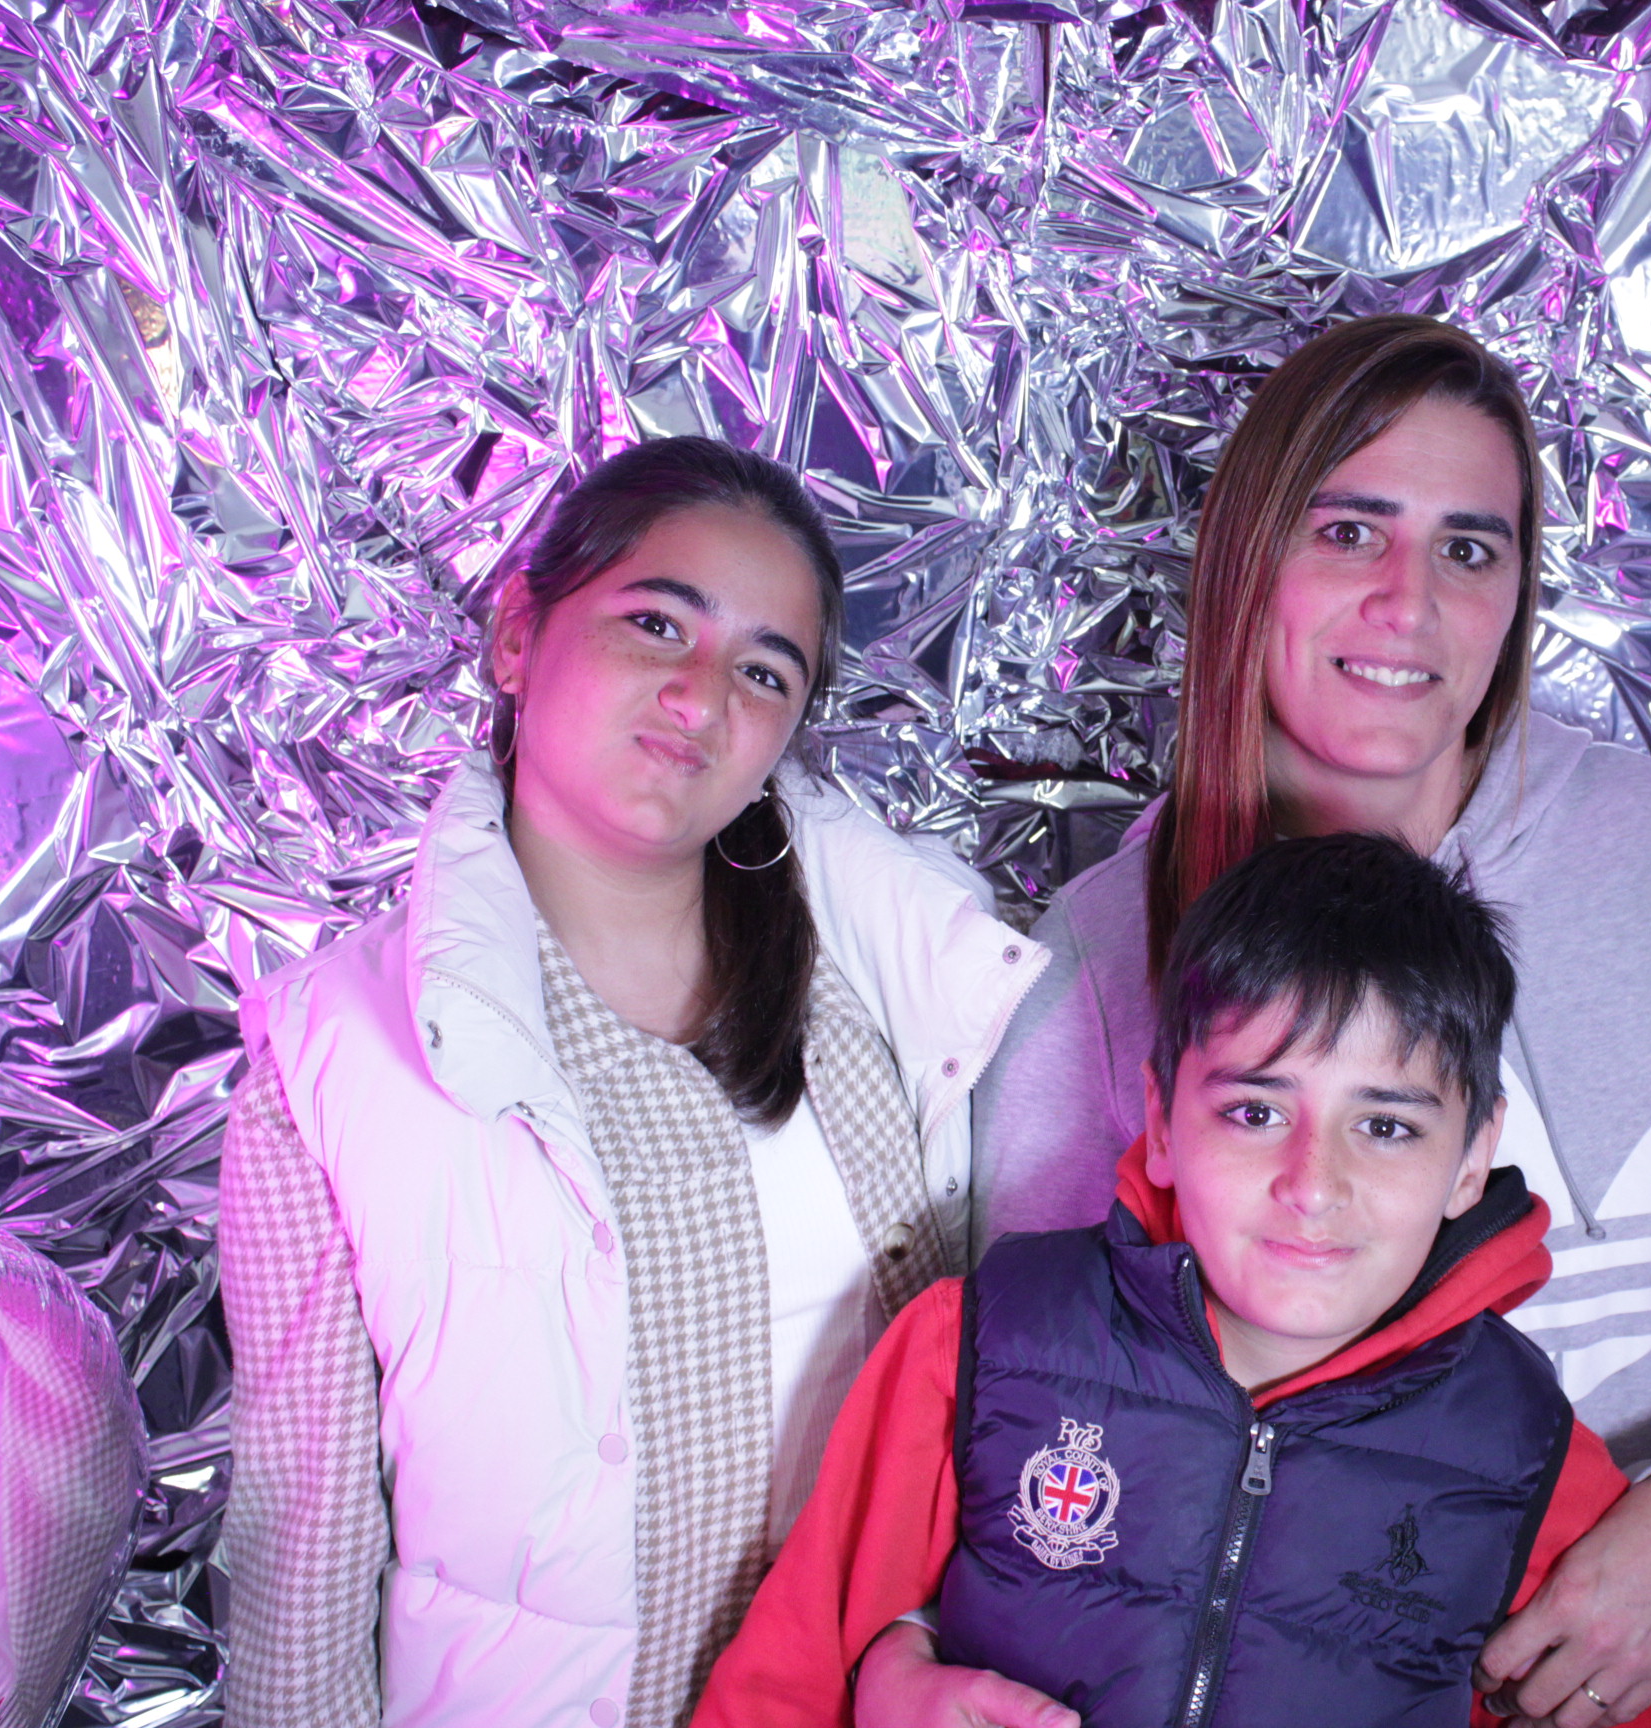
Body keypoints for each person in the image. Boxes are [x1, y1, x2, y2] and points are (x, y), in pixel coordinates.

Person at [949, 316, 1651, 1728]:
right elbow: (1013, 1410)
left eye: (1469, 548)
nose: (1411, 603)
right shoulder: (1095, 959)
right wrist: (902, 1652)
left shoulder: (1644, 849)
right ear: (1248, 561)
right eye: (1349, 532)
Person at [217, 437, 1048, 1728]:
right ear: (517, 635)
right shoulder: (329, 1057)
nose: (700, 697)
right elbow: (301, 1560)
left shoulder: (913, 972)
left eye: (764, 671)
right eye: (658, 623)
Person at [691, 834, 1651, 1728]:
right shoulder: (975, 1347)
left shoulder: (1528, 1450)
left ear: (1472, 1158)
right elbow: (786, 1686)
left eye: (1386, 1126)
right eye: (1257, 1113)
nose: (1314, 1184)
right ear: (1162, 1123)